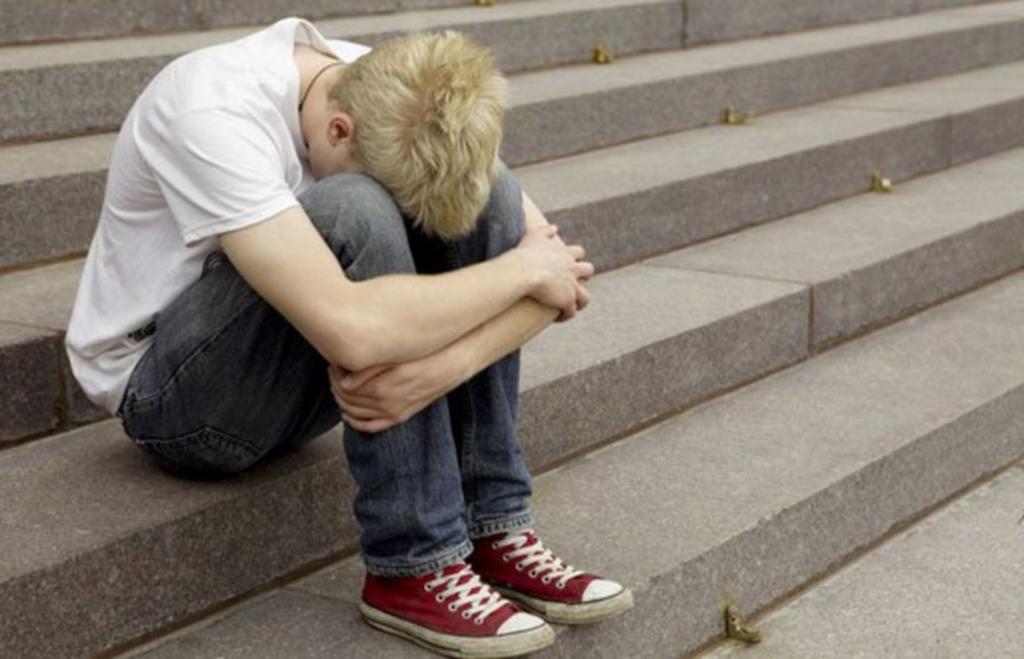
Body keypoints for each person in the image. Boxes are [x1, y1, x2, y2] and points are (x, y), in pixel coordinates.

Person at [64, 16, 633, 657]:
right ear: (340, 129)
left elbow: (560, 278)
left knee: (494, 195)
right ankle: (412, 565)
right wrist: (519, 273)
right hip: (179, 401)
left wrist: (436, 372)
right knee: (355, 206)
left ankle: (492, 528)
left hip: (318, 376)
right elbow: (354, 330)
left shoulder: (397, 90)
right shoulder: (210, 109)